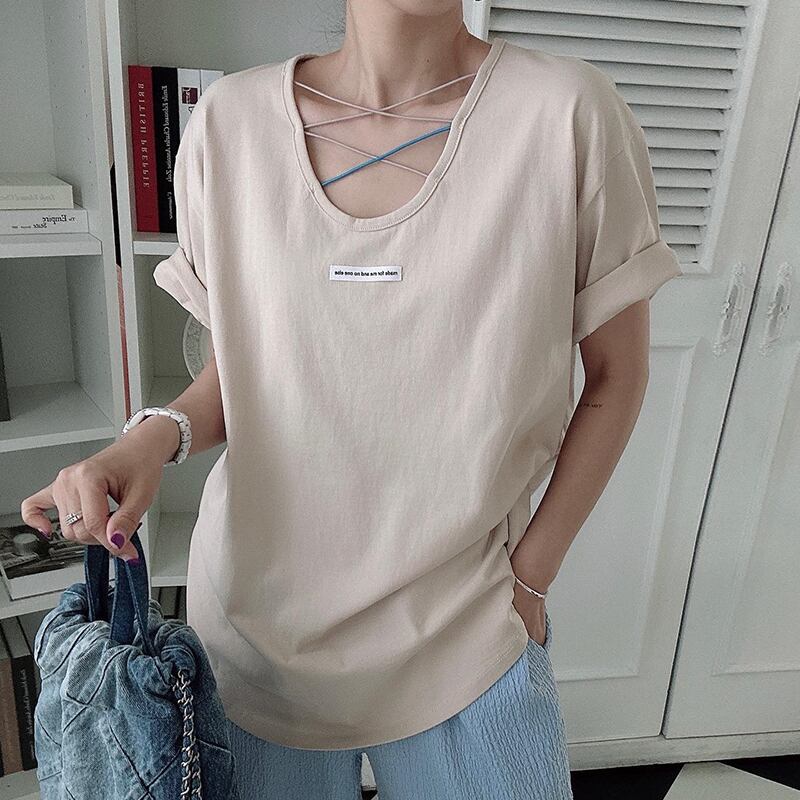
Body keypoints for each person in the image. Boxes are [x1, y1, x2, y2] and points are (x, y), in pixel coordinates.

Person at [21, 1, 682, 797]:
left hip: (470, 634)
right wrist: (149, 440)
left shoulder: (569, 114)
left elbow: (616, 376)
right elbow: (251, 369)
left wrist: (531, 580)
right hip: (258, 638)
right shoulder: (227, 124)